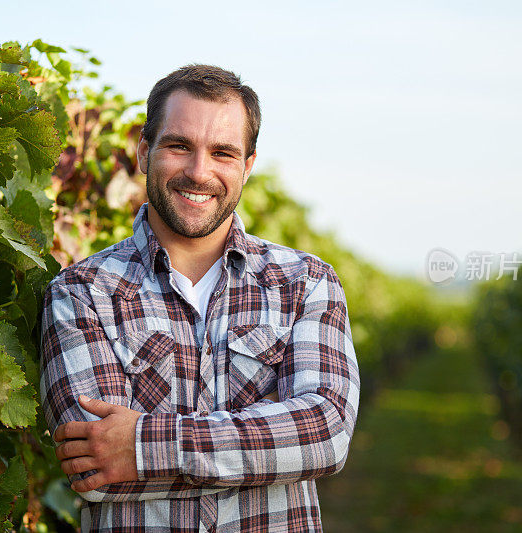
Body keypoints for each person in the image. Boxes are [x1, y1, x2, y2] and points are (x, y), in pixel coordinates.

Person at [40, 64, 360, 532]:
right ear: (144, 152)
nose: (199, 171)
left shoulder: (306, 283)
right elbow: (97, 472)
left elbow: (324, 435)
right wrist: (271, 447)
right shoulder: (78, 294)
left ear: (247, 167)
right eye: (178, 146)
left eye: (223, 153)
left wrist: (144, 446)